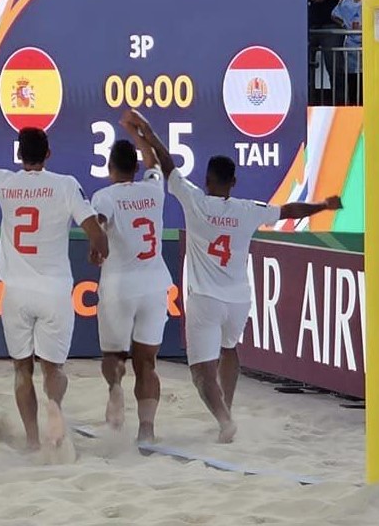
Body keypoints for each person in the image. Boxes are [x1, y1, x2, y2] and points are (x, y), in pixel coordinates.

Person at [127, 108, 341, 442]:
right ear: (234, 183)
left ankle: (225, 419)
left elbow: (168, 165)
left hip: (205, 298)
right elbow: (290, 211)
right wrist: (324, 206)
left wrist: (149, 134)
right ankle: (226, 408)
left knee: (201, 372)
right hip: (239, 299)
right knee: (230, 350)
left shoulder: (195, 202)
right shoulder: (246, 210)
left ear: (207, 181)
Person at [0, 126, 108, 450]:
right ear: (48, 154)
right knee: (54, 368)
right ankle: (54, 406)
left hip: (16, 291)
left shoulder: (6, 183)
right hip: (53, 289)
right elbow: (97, 233)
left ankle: (32, 439)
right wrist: (97, 250)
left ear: (19, 154)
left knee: (21, 369)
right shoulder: (65, 185)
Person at [90, 118, 171, 444]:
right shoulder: (153, 188)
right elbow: (153, 159)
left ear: (110, 167)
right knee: (147, 363)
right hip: (153, 285)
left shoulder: (104, 196)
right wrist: (137, 134)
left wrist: (97, 245)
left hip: (119, 286)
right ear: (136, 167)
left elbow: (98, 223)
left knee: (113, 357)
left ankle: (114, 390)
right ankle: (147, 431)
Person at [331, 0, 368, 106]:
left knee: (367, 82)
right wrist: (344, 25)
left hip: (367, 47)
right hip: (350, 49)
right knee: (352, 83)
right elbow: (334, 15)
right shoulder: (344, 1)